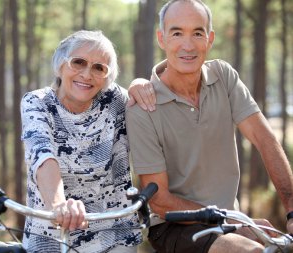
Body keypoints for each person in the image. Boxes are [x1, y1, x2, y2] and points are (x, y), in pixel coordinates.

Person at [125, 1, 293, 253]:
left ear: (210, 39)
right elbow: (160, 201)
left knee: (275, 246)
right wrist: (230, 220)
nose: (188, 45)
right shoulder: (142, 107)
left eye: (197, 33)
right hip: (173, 225)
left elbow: (264, 139)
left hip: (228, 218)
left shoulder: (224, 77)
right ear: (161, 38)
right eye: (177, 33)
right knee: (252, 252)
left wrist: (290, 208)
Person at [20, 30, 154, 253]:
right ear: (60, 65)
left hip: (114, 233)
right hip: (53, 236)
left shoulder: (116, 101)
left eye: (99, 68)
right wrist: (60, 206)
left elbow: (152, 116)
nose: (87, 74)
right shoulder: (38, 102)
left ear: (107, 77)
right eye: (78, 62)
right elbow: (43, 156)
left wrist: (140, 84)